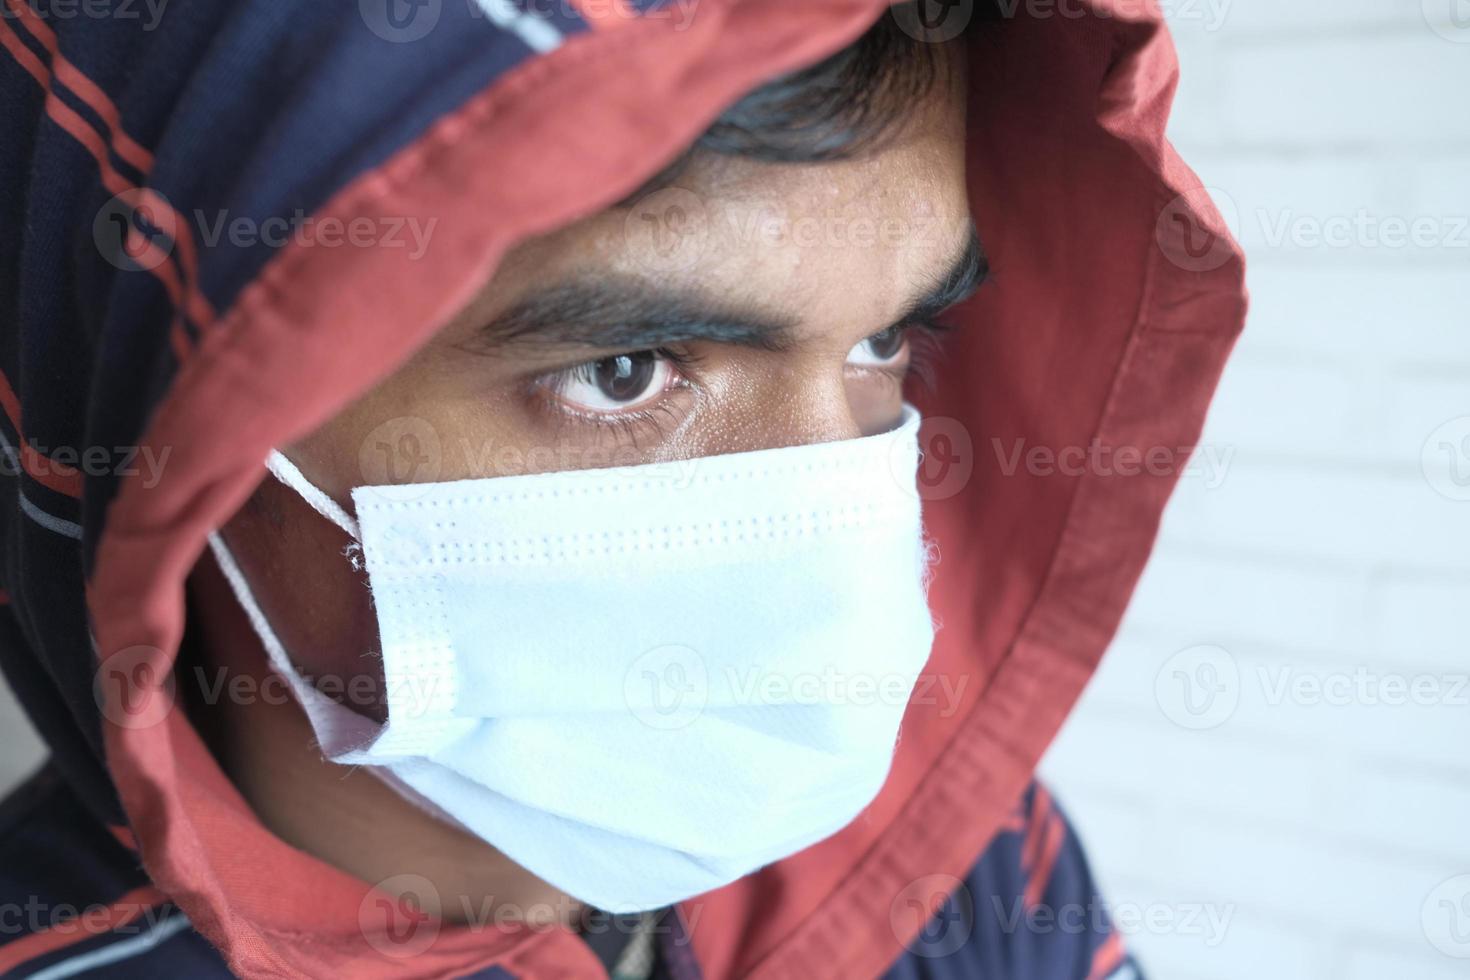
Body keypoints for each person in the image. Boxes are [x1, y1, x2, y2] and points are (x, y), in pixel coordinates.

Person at [0, 1, 1244, 976]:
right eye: (624, 369)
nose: (833, 505)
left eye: (885, 344)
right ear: (192, 417)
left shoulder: (968, 860)